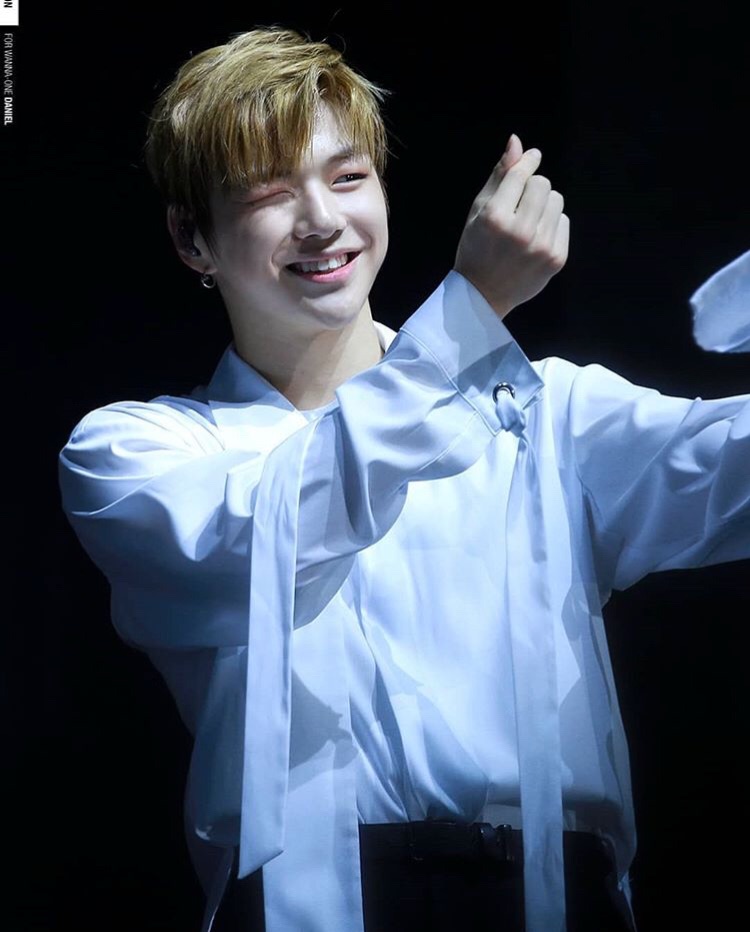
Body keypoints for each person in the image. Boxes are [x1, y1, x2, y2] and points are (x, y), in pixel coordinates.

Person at [57, 26, 750, 932]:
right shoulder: (137, 451)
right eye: (270, 192)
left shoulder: (543, 416)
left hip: (549, 897)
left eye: (348, 178)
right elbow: (271, 536)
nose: (321, 220)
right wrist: (469, 315)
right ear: (193, 238)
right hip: (309, 907)